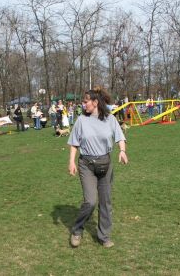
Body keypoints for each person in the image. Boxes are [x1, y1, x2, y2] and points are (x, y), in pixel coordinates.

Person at [68, 87, 128, 248]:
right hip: (87, 164)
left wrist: (122, 151)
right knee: (90, 201)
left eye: (85, 101)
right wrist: (72, 162)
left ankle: (104, 236)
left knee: (106, 202)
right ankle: (77, 230)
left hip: (105, 164)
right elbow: (74, 143)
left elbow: (120, 137)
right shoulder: (81, 120)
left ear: (95, 103)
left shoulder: (110, 119)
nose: (83, 104)